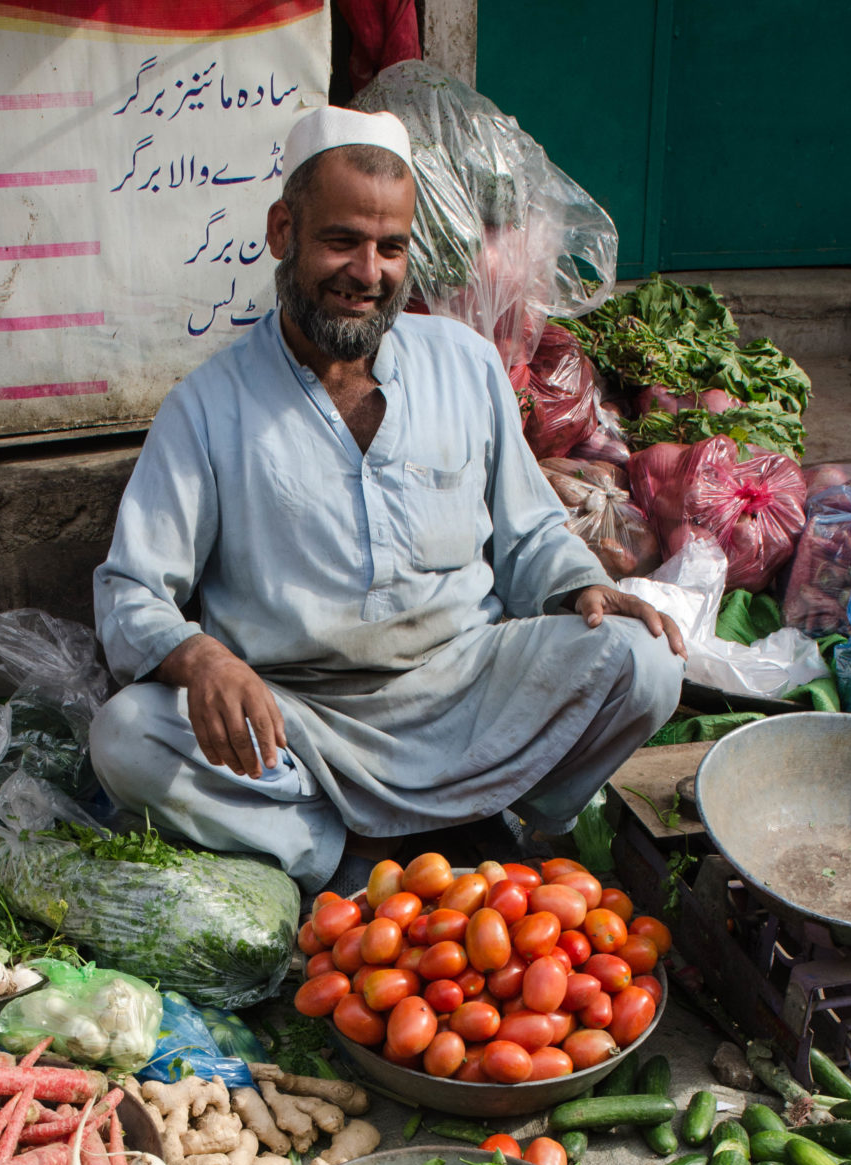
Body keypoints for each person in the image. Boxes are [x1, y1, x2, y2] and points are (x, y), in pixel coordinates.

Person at [91, 105, 684, 893]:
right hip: (302, 718)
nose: (368, 273)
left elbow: (531, 532)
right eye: (342, 241)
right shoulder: (207, 407)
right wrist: (200, 658)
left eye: (391, 248)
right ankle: (330, 852)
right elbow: (131, 589)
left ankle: (513, 819)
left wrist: (582, 585)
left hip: (466, 687)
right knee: (127, 736)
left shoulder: (465, 365)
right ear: (282, 233)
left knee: (647, 661)